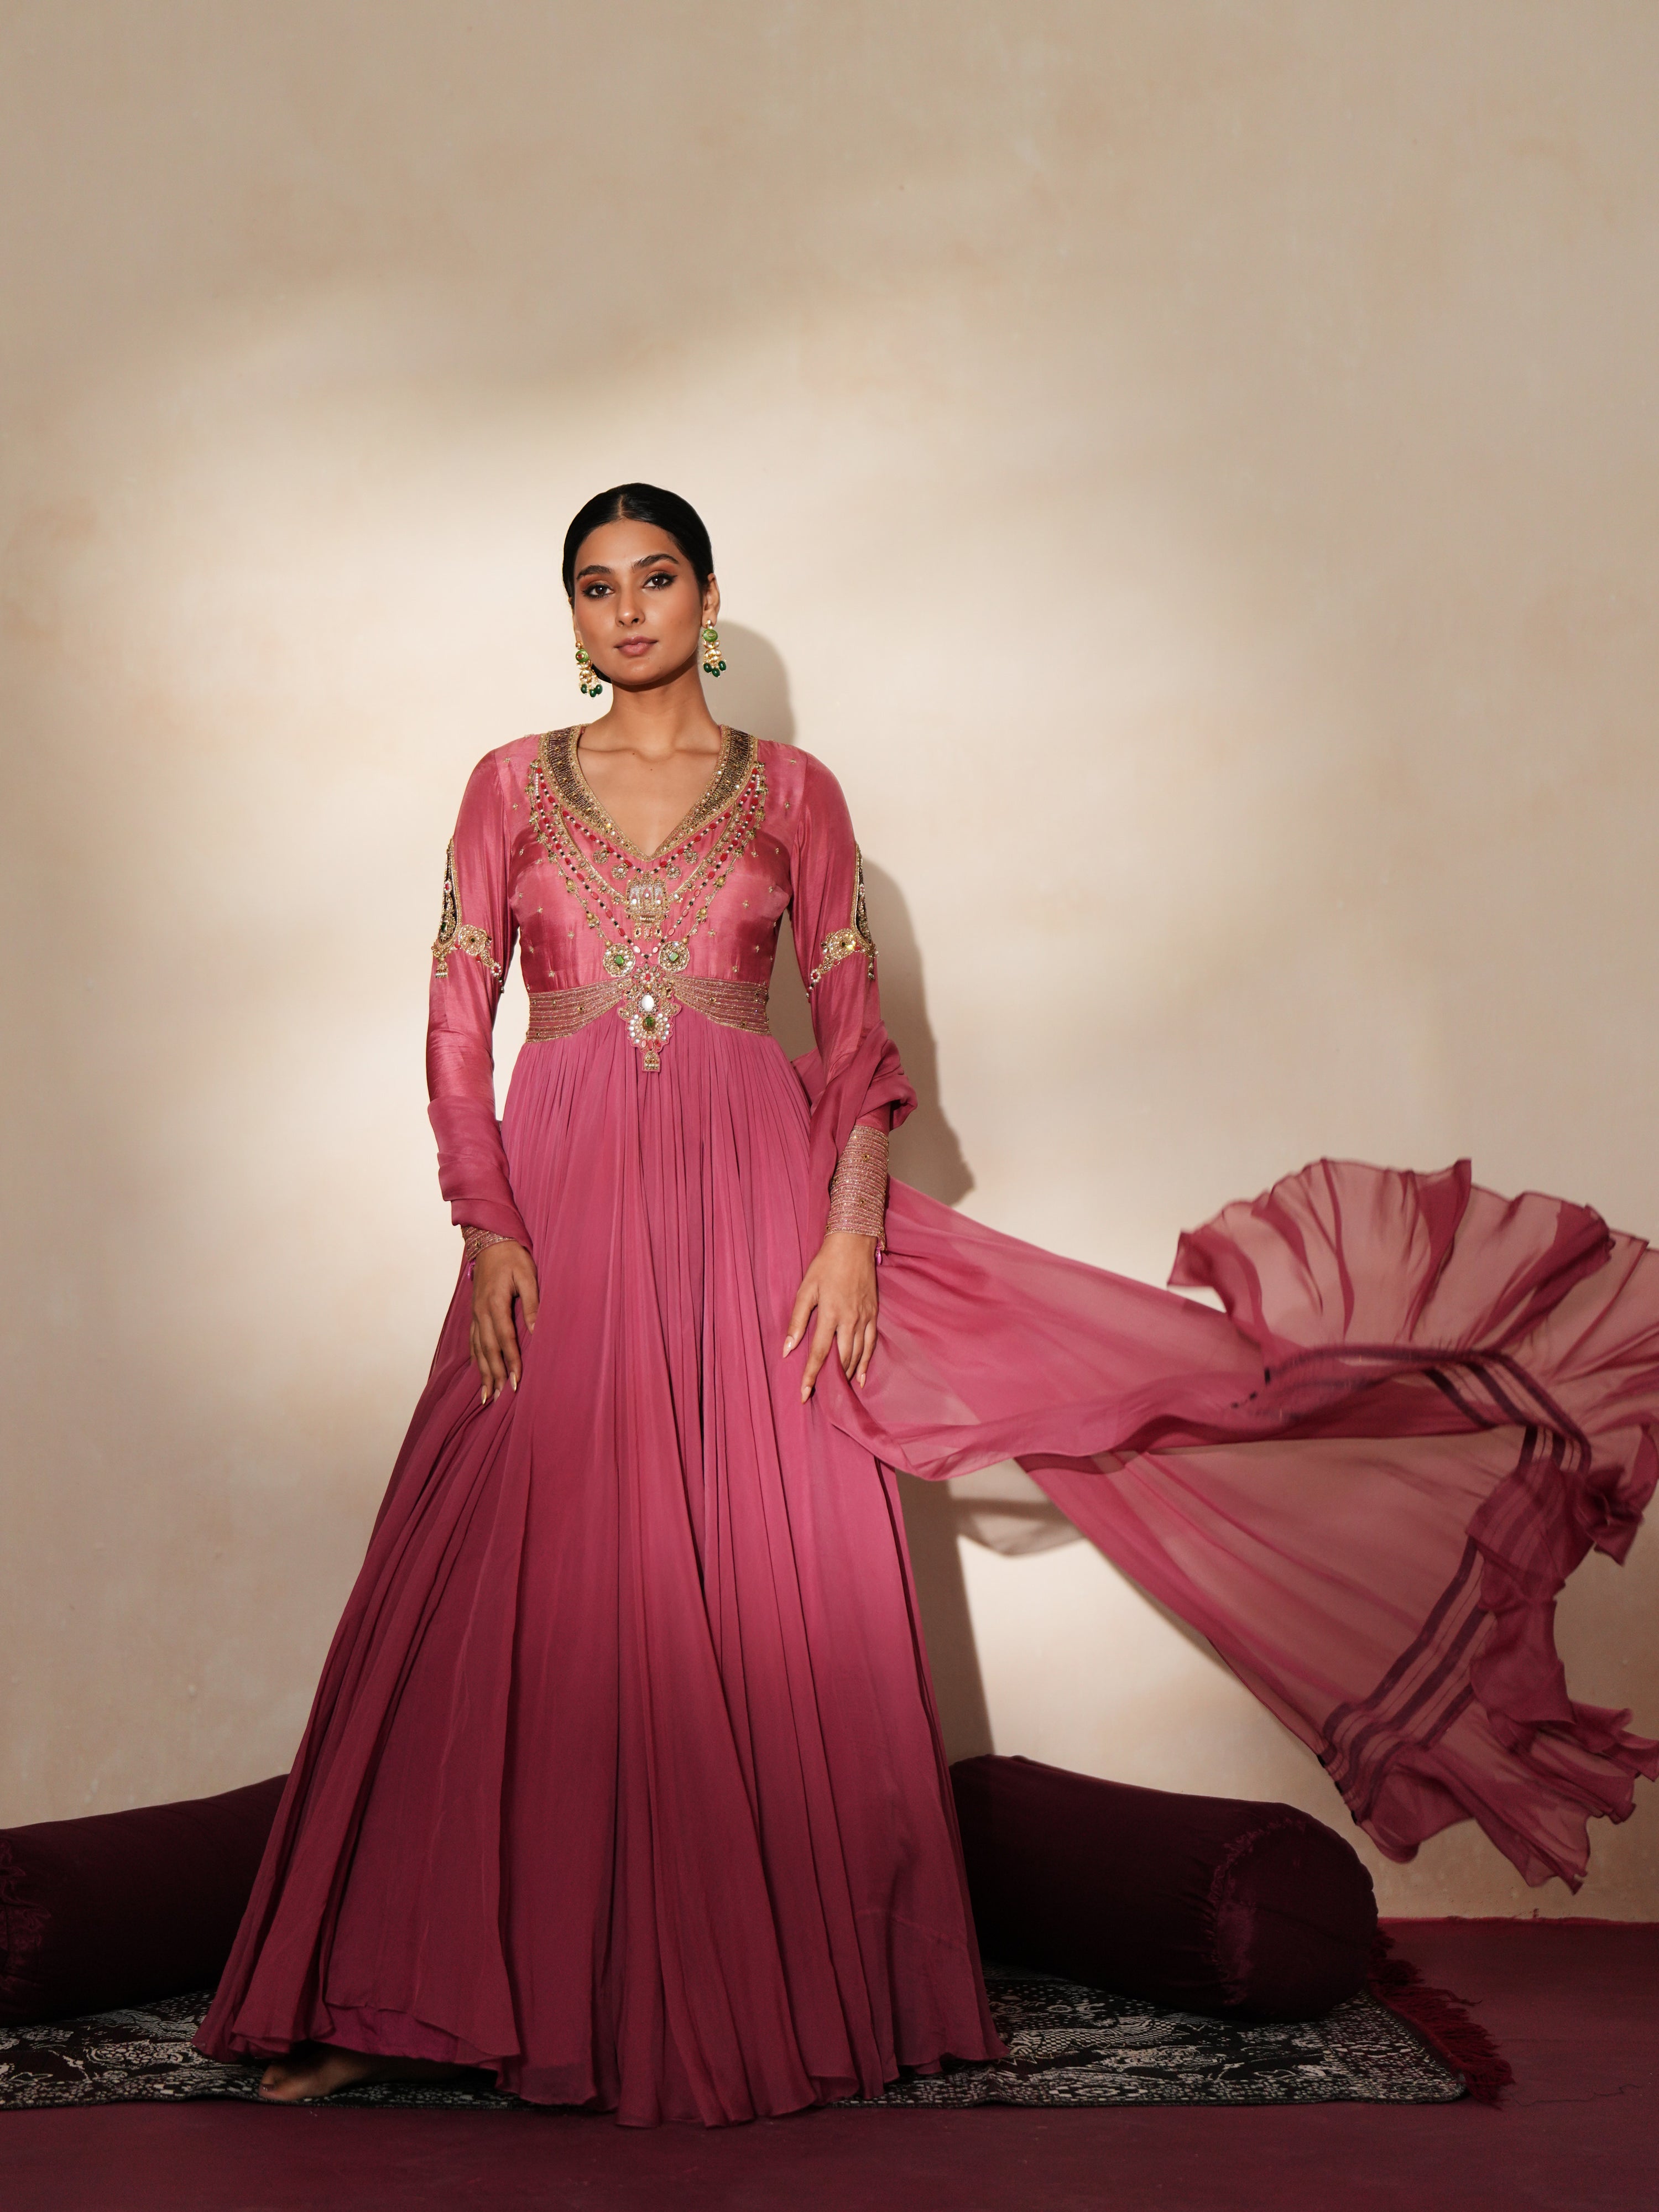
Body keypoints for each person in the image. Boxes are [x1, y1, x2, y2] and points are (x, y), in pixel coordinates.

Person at [197, 485, 1659, 2126]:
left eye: (655, 578)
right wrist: (487, 1224)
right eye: (596, 588)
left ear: (707, 597)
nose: (627, 612)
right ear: (572, 616)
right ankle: (399, 1993)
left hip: (761, 1212)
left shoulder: (798, 794)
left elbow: (854, 1037)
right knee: (487, 1576)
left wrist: (845, 1237)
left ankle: (813, 1988)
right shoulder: (505, 787)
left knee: (772, 1587)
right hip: (562, 1213)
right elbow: (458, 1021)